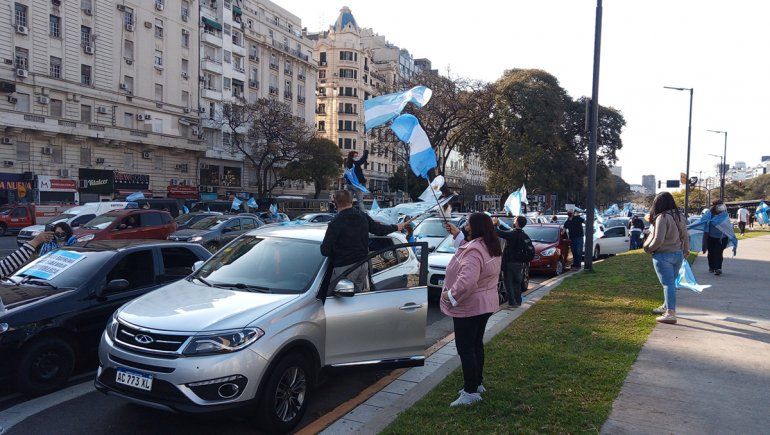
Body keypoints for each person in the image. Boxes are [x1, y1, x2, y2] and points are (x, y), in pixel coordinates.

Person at [442, 213, 502, 407]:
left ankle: (470, 392)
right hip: (485, 303)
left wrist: (449, 295)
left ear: (475, 227)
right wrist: (458, 234)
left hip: (470, 306)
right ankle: (477, 383)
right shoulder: (490, 245)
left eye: (468, 223)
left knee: (466, 348)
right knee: (476, 345)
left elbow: (467, 281)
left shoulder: (475, 250)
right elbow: (466, 249)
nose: (466, 225)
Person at [320, 190, 410, 292]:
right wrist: (396, 227)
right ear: (351, 201)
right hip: (363, 265)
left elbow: (325, 251)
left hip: (346, 268)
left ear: (335, 203)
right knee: (356, 296)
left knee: (339, 298)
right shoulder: (362, 216)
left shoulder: (335, 222)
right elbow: (379, 230)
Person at [643, 192, 689, 324]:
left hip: (663, 255)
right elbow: (685, 235)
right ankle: (665, 306)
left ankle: (670, 313)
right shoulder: (680, 216)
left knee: (667, 284)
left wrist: (648, 248)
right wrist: (686, 249)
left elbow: (658, 239)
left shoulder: (662, 217)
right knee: (671, 283)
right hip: (677, 254)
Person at [492, 215, 532, 307]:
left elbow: (499, 233)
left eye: (515, 220)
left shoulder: (513, 234)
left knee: (508, 283)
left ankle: (512, 303)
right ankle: (518, 301)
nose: (514, 220)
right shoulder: (523, 234)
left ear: (517, 223)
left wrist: (494, 224)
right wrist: (499, 225)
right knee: (517, 283)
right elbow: (506, 231)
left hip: (510, 263)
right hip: (519, 263)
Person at [706, 199, 729, 276]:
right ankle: (712, 267)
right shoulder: (709, 214)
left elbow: (728, 226)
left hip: (722, 238)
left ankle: (718, 268)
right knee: (711, 253)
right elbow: (703, 222)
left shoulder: (724, 214)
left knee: (718, 252)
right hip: (711, 237)